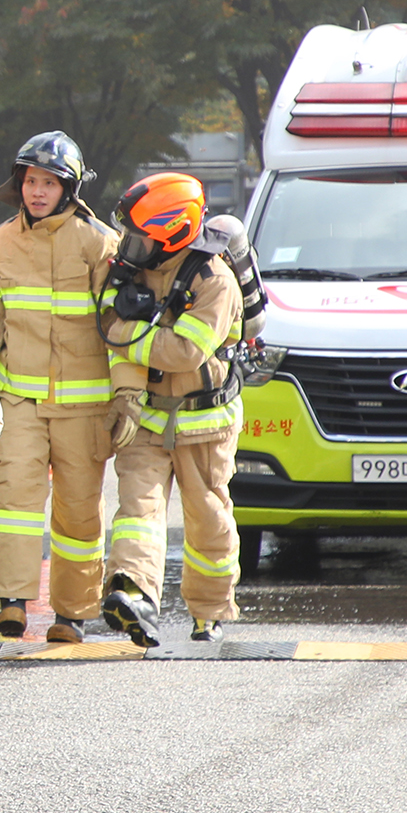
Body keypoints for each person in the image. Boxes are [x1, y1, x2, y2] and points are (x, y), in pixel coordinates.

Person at [0, 131, 117, 644]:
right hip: (19, 400)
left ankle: (72, 613)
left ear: (69, 188)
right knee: (14, 500)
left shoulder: (98, 243)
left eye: (49, 182)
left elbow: (119, 328)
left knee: (78, 510)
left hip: (85, 407)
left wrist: (128, 396)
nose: (38, 192)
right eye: (30, 182)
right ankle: (12, 602)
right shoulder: (1, 242)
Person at [99, 172, 244, 645]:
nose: (129, 245)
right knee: (137, 510)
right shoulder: (134, 269)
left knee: (207, 518)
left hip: (205, 422)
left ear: (173, 234)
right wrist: (127, 391)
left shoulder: (215, 281)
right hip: (146, 417)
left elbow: (185, 352)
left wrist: (124, 335)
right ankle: (134, 595)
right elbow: (106, 317)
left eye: (139, 238)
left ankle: (210, 612)